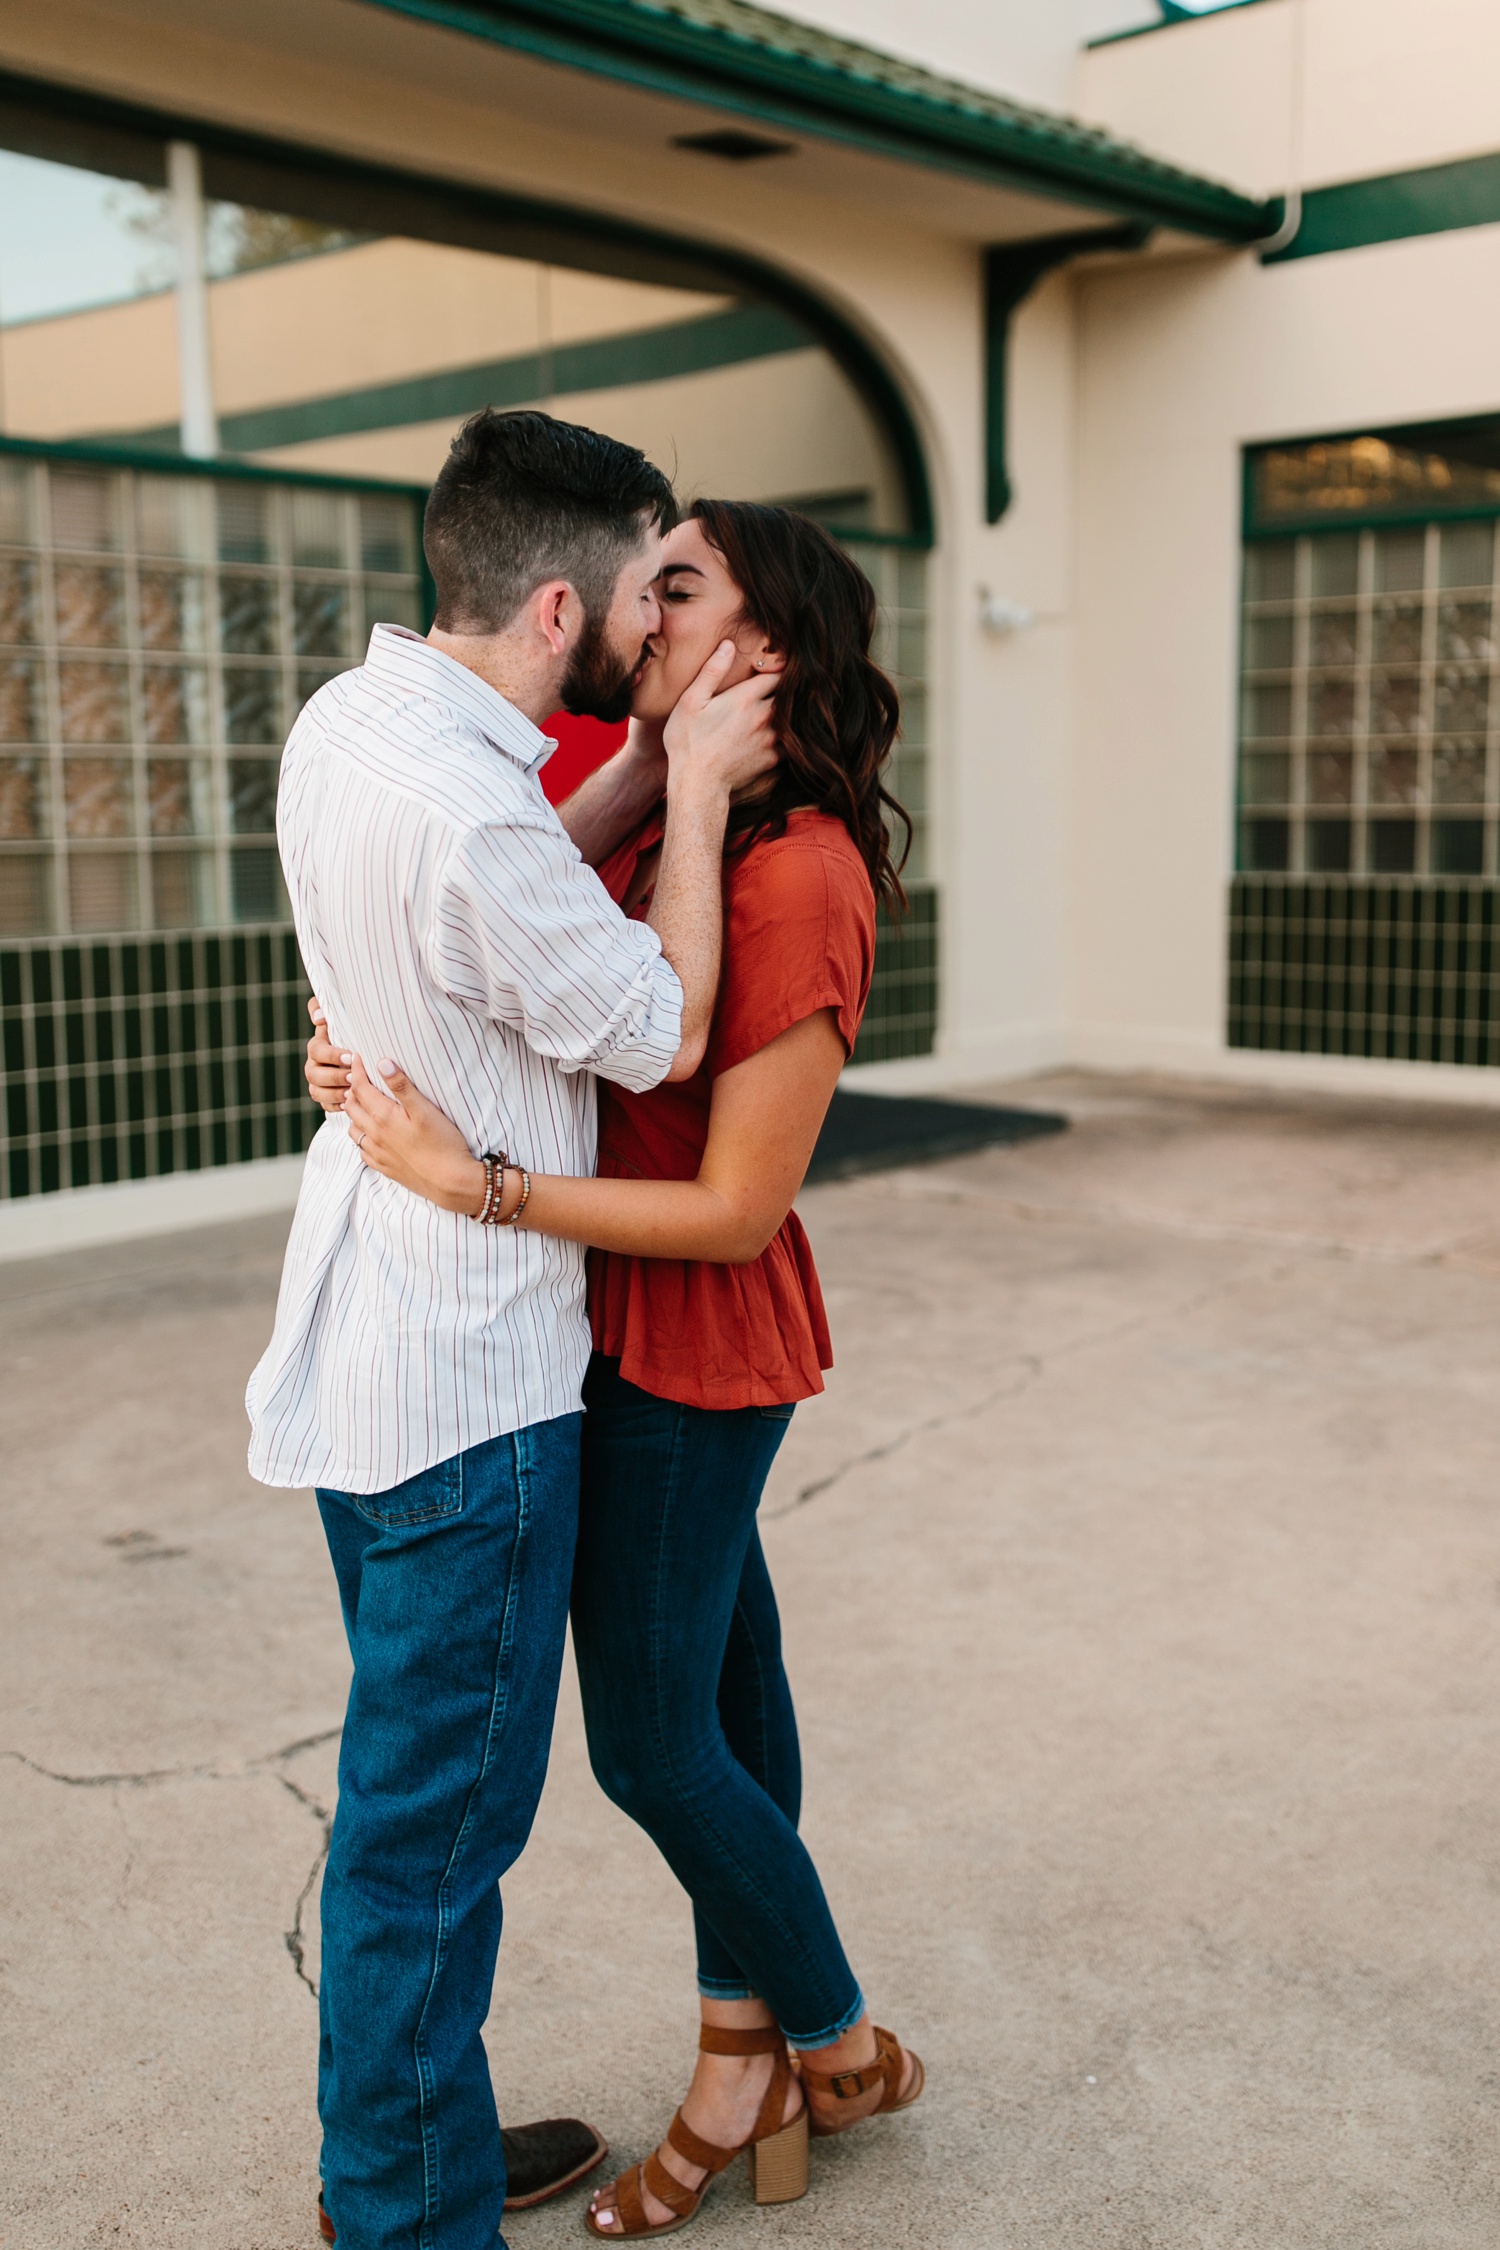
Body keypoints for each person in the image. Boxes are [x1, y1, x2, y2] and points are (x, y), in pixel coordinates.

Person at [304, 499, 924, 2242]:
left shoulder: (797, 873)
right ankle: (753, 2054)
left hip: (687, 1339)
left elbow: (734, 1210)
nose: (635, 612)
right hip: (596, 1321)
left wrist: (473, 1180)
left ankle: (836, 2037)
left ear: (764, 650)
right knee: (733, 1689)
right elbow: (514, 956)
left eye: (681, 587)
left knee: (654, 1743)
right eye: (642, 579)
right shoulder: (674, 807)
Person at [245, 411, 781, 2250]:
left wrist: (632, 767)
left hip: (361, 1358)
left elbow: (497, 898)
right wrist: (698, 789)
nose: (660, 619)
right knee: (431, 1843)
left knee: (413, 1814)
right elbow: (656, 1028)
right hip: (470, 1396)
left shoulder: (351, 721)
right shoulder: (472, 813)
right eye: (649, 588)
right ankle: (403, 2214)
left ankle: (419, 2151)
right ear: (565, 602)